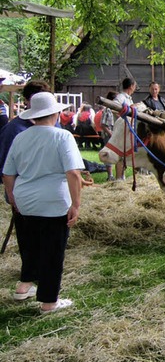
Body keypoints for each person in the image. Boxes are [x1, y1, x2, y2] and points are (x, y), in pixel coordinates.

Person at [3, 92, 85, 313]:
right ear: (56, 114)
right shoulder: (63, 136)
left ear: (33, 116)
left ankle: (24, 286)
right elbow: (74, 174)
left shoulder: (20, 137)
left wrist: (12, 197)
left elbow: (8, 173)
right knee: (52, 251)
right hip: (53, 202)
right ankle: (49, 301)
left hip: (25, 201)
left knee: (29, 246)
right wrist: (76, 204)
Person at [113, 78, 137, 180]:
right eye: (134, 86)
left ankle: (123, 176)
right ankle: (119, 179)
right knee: (120, 154)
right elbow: (113, 108)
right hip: (121, 130)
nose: (135, 88)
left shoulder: (129, 98)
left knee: (127, 153)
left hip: (128, 129)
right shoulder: (121, 97)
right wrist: (123, 118)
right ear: (131, 86)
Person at [100, 91, 118, 181]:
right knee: (108, 154)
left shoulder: (117, 110)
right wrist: (111, 134)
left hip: (115, 135)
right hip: (109, 135)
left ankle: (119, 175)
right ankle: (110, 175)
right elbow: (103, 125)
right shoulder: (107, 110)